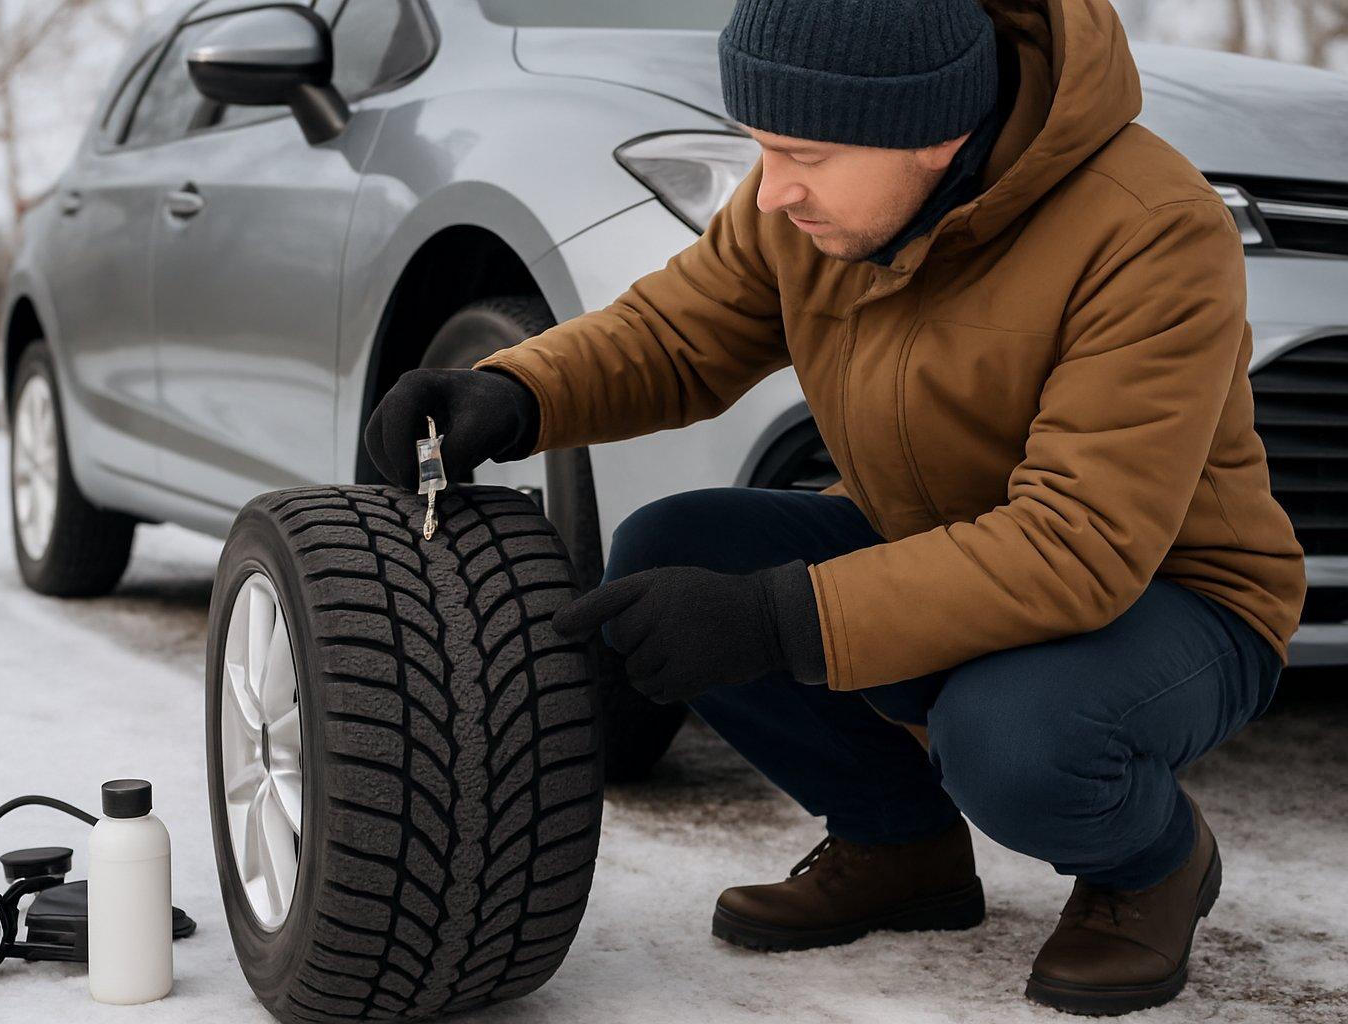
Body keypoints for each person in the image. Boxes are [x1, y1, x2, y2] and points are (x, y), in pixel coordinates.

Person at [363, 0, 1306, 1015]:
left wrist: (777, 618)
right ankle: (899, 846)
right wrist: (513, 394)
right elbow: (680, 331)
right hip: (941, 544)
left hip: (1172, 595)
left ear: (935, 131)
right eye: (760, 148)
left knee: (1016, 742)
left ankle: (1153, 863)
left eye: (802, 152)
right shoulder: (813, 206)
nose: (773, 190)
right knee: (669, 551)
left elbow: (1079, 545)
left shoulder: (1148, 226)